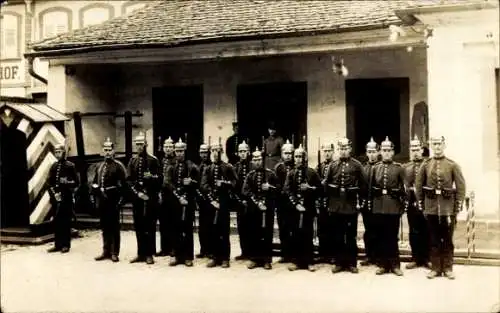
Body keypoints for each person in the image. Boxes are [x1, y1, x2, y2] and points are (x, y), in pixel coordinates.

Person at [415, 136, 466, 280]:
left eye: (439, 144)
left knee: (448, 239)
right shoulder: (426, 165)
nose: (437, 147)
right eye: (434, 144)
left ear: (444, 145)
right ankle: (436, 268)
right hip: (431, 208)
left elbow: (461, 187)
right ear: (431, 146)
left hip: (447, 209)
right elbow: (419, 186)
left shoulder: (452, 165)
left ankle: (448, 268)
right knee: (434, 239)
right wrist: (421, 204)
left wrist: (457, 206)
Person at [323, 138, 366, 274]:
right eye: (341, 148)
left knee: (350, 235)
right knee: (337, 235)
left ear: (350, 149)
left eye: (345, 148)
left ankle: (352, 263)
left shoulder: (357, 165)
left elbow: (363, 185)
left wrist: (361, 202)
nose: (343, 151)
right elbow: (326, 184)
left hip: (350, 206)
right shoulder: (333, 165)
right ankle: (339, 262)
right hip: (336, 206)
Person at [370, 136, 407, 276]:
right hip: (379, 206)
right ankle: (383, 265)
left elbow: (404, 189)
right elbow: (371, 188)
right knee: (380, 236)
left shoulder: (399, 168)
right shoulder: (376, 168)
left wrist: (402, 205)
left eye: (388, 150)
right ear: (380, 152)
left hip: (393, 207)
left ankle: (395, 265)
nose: (386, 153)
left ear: (393, 152)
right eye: (384, 150)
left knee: (392, 236)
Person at [284, 144, 321, 272]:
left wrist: (310, 189)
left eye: (300, 156)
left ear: (304, 158)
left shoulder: (312, 172)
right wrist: (296, 204)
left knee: (307, 234)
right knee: (295, 235)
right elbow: (287, 190)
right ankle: (297, 262)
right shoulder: (291, 173)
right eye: (296, 156)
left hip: (308, 209)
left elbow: (320, 189)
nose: (298, 159)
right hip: (295, 210)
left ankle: (309, 261)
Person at [201, 140, 237, 268]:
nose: (215, 154)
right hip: (212, 204)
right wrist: (212, 199)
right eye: (213, 151)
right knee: (212, 230)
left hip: (224, 204)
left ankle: (225, 258)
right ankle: (215, 257)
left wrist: (224, 183)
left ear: (221, 152)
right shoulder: (207, 168)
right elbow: (203, 185)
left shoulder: (228, 167)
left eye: (217, 151)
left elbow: (234, 183)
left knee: (224, 230)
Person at [127, 131, 161, 265]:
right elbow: (128, 181)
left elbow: (160, 179)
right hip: (138, 199)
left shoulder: (153, 160)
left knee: (150, 226)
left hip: (150, 199)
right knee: (139, 226)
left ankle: (149, 254)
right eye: (137, 144)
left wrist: (151, 178)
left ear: (146, 144)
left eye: (141, 144)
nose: (139, 147)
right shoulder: (132, 161)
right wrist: (138, 193)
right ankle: (140, 253)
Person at [165, 139, 200, 267]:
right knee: (175, 228)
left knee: (187, 229)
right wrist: (178, 196)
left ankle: (187, 256)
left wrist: (191, 182)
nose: (179, 153)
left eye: (181, 151)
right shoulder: (170, 166)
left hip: (188, 201)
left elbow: (198, 183)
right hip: (175, 202)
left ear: (185, 151)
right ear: (175, 151)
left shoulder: (192, 166)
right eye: (177, 151)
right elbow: (167, 183)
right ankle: (176, 255)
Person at [92, 137, 127, 262]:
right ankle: (105, 250)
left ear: (113, 151)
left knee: (114, 228)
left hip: (113, 201)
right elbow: (95, 182)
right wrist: (95, 191)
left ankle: (114, 252)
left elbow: (124, 186)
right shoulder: (99, 166)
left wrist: (121, 201)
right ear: (102, 151)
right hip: (102, 201)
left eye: (109, 150)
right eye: (105, 149)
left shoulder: (118, 166)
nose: (107, 152)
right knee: (105, 226)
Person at [242, 147, 278, 270]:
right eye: (255, 159)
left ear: (263, 160)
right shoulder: (250, 175)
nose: (257, 161)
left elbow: (278, 189)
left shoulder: (271, 174)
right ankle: (254, 259)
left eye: (259, 159)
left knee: (267, 234)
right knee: (254, 233)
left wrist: (270, 188)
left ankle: (266, 260)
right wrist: (257, 202)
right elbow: (245, 190)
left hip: (267, 209)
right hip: (254, 209)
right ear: (252, 161)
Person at [403, 135, 430, 270]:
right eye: (412, 149)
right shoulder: (406, 167)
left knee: (427, 230)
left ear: (422, 149)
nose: (414, 151)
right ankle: (415, 258)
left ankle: (426, 258)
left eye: (417, 148)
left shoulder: (428, 164)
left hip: (426, 202)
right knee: (414, 231)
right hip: (412, 204)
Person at [46, 142, 79, 253]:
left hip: (66, 198)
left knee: (65, 222)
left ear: (63, 152)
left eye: (59, 152)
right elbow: (49, 182)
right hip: (56, 198)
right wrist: (54, 194)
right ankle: (57, 244)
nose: (57, 154)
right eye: (55, 152)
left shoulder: (70, 166)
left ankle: (66, 245)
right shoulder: (54, 166)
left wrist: (66, 184)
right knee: (57, 222)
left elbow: (76, 182)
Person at [274, 139, 295, 263]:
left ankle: (294, 253)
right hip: (282, 203)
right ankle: (285, 253)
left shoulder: (296, 167)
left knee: (294, 227)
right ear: (282, 154)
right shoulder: (278, 168)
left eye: (290, 153)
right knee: (284, 228)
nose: (288, 155)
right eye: (286, 153)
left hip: (294, 203)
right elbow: (276, 185)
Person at [360, 137, 379, 267]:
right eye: (369, 151)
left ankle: (379, 256)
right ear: (366, 153)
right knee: (369, 230)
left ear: (378, 152)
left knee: (380, 230)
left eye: (374, 151)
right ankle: (369, 255)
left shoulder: (382, 167)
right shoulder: (363, 168)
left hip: (379, 204)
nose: (371, 154)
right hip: (366, 204)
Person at [316, 141, 335, 264]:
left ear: (333, 152)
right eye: (325, 151)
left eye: (329, 151)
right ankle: (323, 253)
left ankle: (333, 254)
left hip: (332, 200)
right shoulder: (320, 166)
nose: (327, 153)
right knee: (321, 228)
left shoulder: (336, 165)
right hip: (322, 201)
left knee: (332, 228)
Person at [157, 137, 176, 257]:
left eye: (170, 147)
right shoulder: (160, 161)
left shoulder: (176, 161)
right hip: (162, 195)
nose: (168, 149)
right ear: (163, 148)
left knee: (173, 223)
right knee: (163, 223)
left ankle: (173, 248)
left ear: (173, 148)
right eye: (166, 147)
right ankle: (164, 248)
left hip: (172, 195)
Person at [234, 141, 252, 261]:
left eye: (244, 151)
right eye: (240, 151)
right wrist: (239, 200)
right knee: (242, 227)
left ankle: (253, 252)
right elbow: (233, 186)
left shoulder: (253, 165)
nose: (243, 154)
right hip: (240, 201)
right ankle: (244, 252)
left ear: (248, 152)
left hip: (252, 201)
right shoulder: (235, 167)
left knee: (252, 227)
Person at [195, 143, 213, 259]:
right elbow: (195, 184)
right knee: (202, 226)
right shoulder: (197, 167)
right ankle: (203, 249)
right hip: (201, 200)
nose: (204, 155)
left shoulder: (212, 167)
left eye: (205, 152)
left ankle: (211, 250)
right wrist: (197, 197)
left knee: (211, 225)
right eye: (201, 152)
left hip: (211, 199)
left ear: (209, 153)